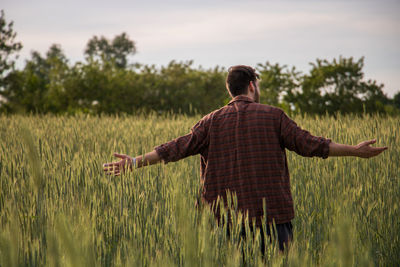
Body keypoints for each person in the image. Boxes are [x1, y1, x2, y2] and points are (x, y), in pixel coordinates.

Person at [103, 65, 387, 252]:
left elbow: (175, 148)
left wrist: (136, 162)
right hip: (273, 220)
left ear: (231, 89)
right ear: (251, 86)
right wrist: (355, 150)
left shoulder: (210, 122)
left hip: (227, 223)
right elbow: (311, 145)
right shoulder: (274, 116)